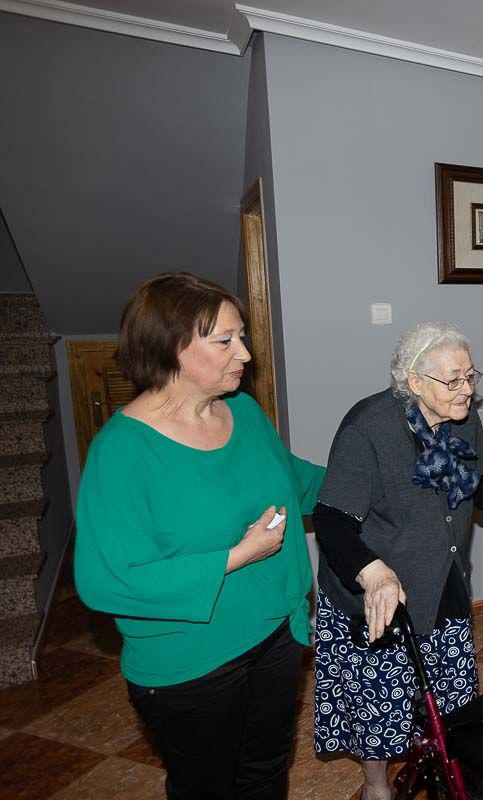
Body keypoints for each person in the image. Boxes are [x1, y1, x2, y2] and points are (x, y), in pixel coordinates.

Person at [74, 273, 325, 800]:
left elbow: (297, 482)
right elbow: (107, 581)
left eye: (242, 337)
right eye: (226, 340)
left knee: (266, 769)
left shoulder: (245, 414)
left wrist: (387, 478)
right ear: (173, 348)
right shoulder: (122, 452)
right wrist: (236, 556)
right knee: (205, 786)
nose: (246, 354)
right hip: (190, 662)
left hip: (274, 634)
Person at [312, 321, 483, 800]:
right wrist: (374, 574)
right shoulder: (368, 428)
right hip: (377, 593)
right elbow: (331, 520)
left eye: (471, 376)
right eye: (453, 380)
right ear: (415, 382)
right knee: (378, 703)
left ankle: (446, 765)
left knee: (451, 694)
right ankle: (376, 786)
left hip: (443, 577)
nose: (467, 391)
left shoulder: (461, 419)